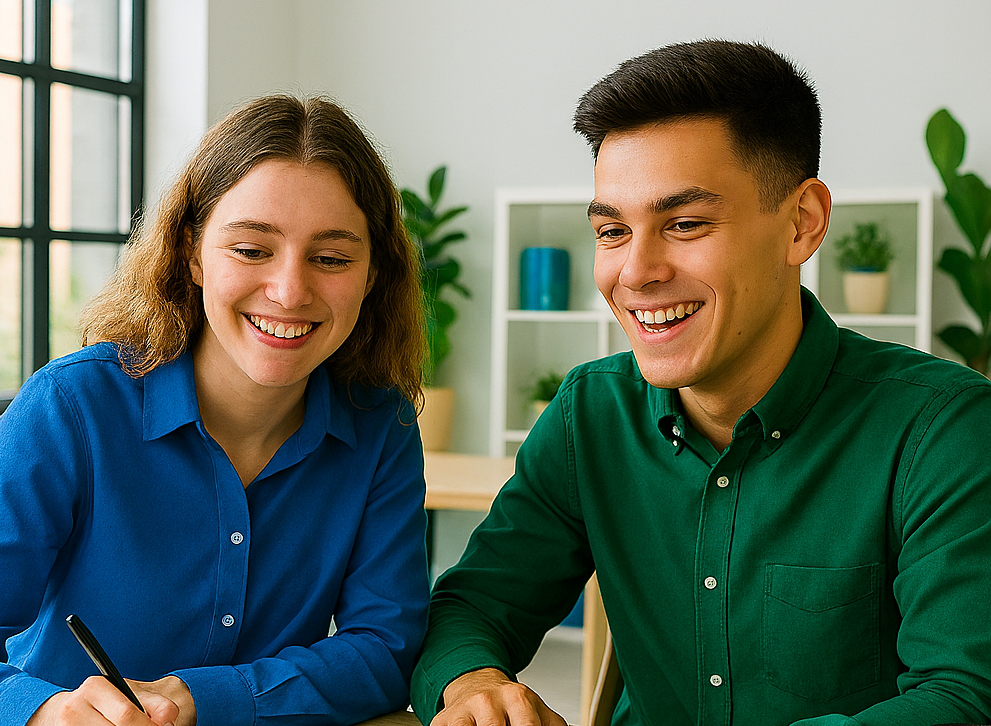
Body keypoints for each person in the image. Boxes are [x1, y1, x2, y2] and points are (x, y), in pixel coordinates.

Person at [410, 40, 991, 726]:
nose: (636, 272)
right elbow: (473, 606)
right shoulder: (589, 414)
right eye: (612, 230)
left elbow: (962, 697)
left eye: (684, 224)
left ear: (802, 222)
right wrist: (474, 683)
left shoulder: (942, 429)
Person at [0, 94, 431, 726]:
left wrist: (202, 698)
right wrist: (44, 712)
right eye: (250, 249)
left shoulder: (383, 428)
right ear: (191, 253)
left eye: (331, 258)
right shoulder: (72, 408)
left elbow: (385, 651)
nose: (290, 291)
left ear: (372, 273)